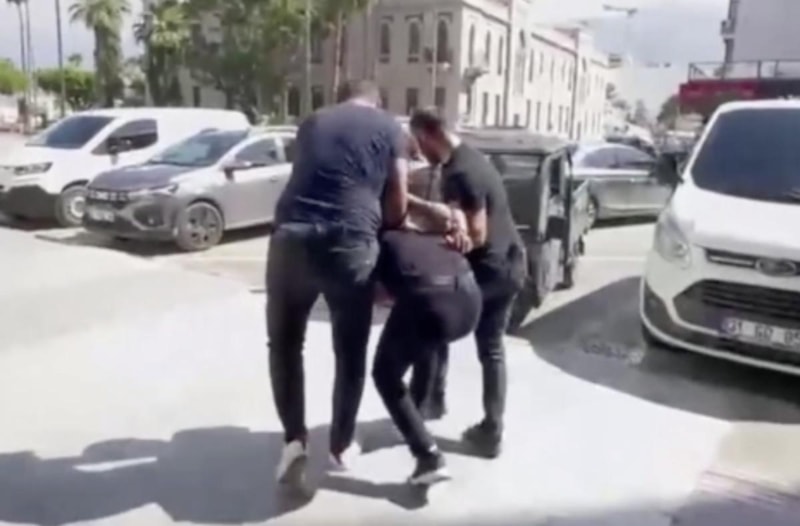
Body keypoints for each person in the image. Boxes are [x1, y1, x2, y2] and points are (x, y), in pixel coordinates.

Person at [266, 80, 409, 487]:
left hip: (290, 236)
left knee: (285, 344)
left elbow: (308, 173)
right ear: (376, 100)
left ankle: (294, 440)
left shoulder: (312, 121)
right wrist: (389, 224)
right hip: (350, 242)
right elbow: (398, 198)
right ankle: (340, 445)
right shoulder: (389, 126)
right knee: (350, 352)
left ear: (342, 97)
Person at [406, 108, 527, 458]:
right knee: (490, 348)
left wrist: (426, 232)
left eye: (418, 143)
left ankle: (424, 405)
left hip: (490, 271)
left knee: (433, 325)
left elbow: (475, 234)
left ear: (428, 135)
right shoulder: (470, 158)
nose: (418, 152)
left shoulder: (461, 173)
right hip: (510, 263)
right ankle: (490, 429)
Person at [372, 229, 481, 484]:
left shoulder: (380, 242)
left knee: (385, 373)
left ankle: (428, 456)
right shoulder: (424, 233)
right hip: (469, 302)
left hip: (431, 302)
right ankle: (419, 411)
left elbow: (378, 295)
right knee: (427, 339)